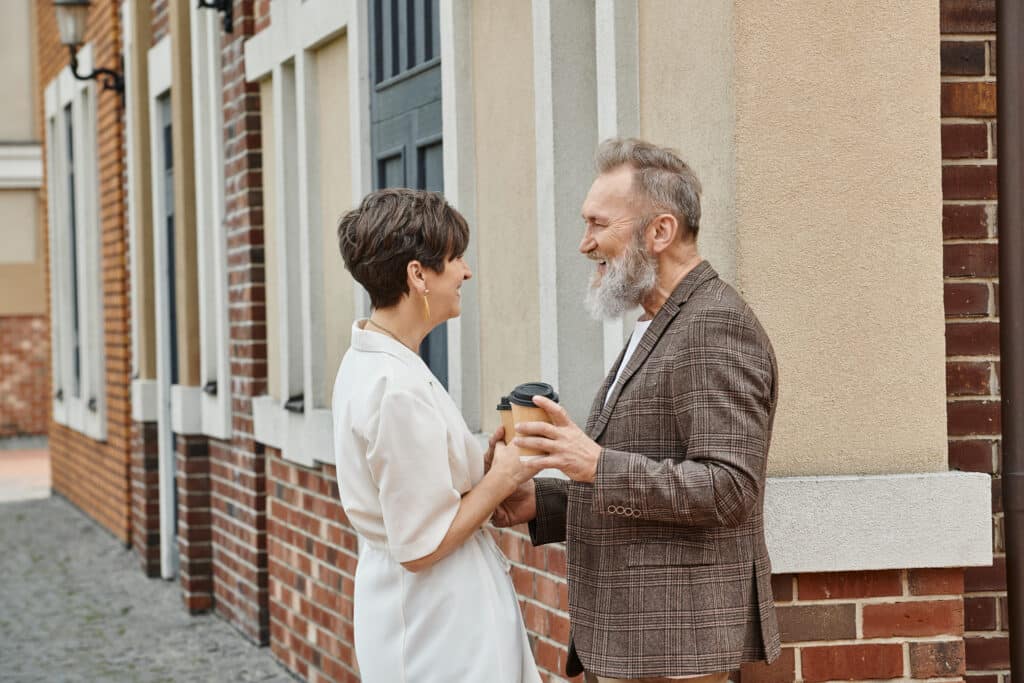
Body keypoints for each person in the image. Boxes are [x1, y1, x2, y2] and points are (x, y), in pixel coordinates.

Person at [497, 138, 781, 682]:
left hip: (677, 650)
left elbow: (729, 488)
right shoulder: (657, 321)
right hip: (641, 645)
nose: (585, 244)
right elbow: (648, 468)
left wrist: (597, 464)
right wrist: (543, 502)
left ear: (660, 232)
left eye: (598, 224)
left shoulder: (715, 327)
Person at [332, 188, 543, 683]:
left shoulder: (383, 361)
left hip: (441, 619)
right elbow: (419, 546)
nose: (466, 272)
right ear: (417, 274)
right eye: (454, 259)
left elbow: (422, 496)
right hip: (435, 634)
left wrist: (482, 471)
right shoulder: (394, 388)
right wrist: (501, 480)